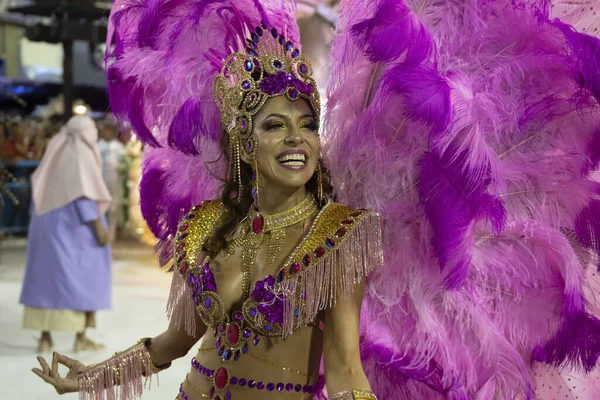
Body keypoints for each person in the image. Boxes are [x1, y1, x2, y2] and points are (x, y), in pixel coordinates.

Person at [31, 1, 600, 399]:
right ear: (245, 146)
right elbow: (172, 343)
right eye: (275, 126)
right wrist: (89, 379)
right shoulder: (206, 226)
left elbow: (347, 369)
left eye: (306, 124)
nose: (296, 139)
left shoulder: (338, 237)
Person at [19, 115, 113, 354]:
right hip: (77, 231)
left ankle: (45, 338)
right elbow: (83, 194)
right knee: (83, 280)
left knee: (47, 280)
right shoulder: (80, 154)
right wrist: (100, 230)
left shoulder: (57, 148)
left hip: (47, 228)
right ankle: (80, 338)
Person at [98, 123, 126, 240]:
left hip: (114, 177)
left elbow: (124, 163)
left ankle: (111, 234)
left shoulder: (118, 147)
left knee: (113, 206)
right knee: (101, 204)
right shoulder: (98, 145)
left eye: (110, 131)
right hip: (101, 177)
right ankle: (101, 232)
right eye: (106, 130)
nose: (108, 133)